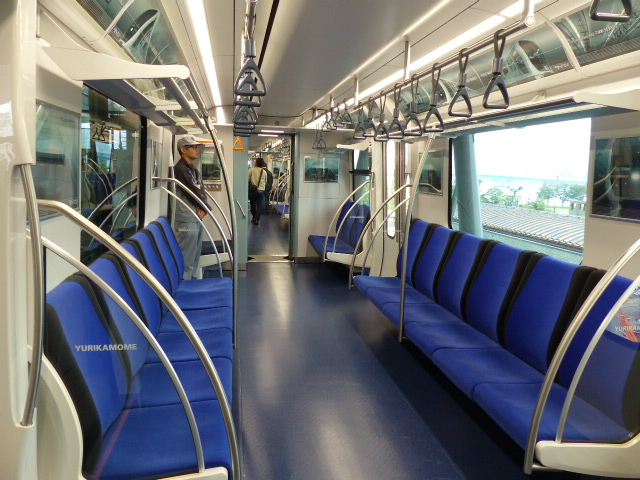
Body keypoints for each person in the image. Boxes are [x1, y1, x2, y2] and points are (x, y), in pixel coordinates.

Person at [174, 135, 210, 279]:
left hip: (196, 215)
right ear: (183, 150)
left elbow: (201, 190)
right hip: (186, 217)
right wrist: (205, 207)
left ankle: (193, 283)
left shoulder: (194, 170)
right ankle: (184, 284)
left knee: (195, 253)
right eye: (193, 147)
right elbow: (191, 191)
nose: (197, 150)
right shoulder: (180, 169)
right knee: (187, 255)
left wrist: (203, 208)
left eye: (197, 147)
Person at [248, 157, 267, 225]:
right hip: (261, 191)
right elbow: (265, 181)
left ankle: (254, 217)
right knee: (260, 206)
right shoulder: (264, 172)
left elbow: (247, 178)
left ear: (256, 163)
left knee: (252, 205)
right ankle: (256, 219)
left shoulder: (251, 170)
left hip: (253, 190)